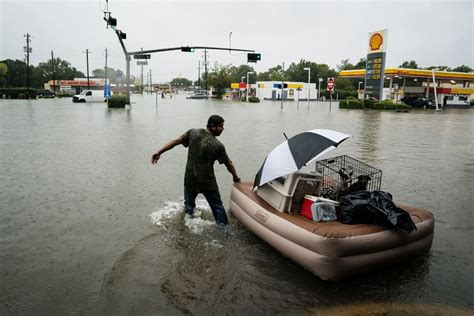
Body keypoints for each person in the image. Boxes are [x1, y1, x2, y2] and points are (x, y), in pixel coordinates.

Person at [151, 115, 241, 225]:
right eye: (221, 126)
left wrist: (159, 152)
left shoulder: (193, 132)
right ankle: (224, 233)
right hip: (207, 182)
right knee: (218, 208)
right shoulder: (217, 145)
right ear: (213, 126)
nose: (223, 129)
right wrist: (236, 177)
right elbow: (229, 164)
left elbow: (175, 141)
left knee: (189, 208)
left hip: (190, 179)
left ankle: (188, 228)